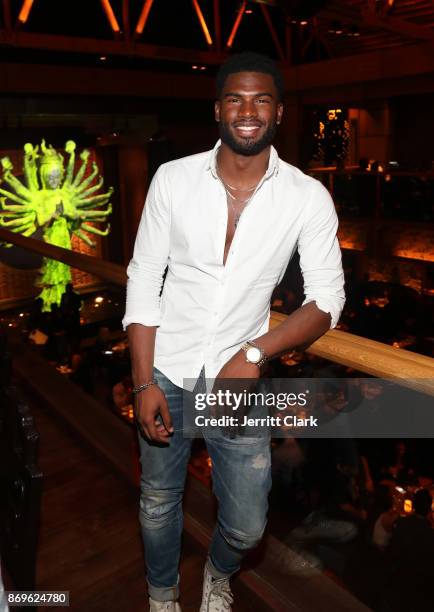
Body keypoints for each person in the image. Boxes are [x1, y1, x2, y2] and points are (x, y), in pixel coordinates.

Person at [123, 52, 345, 612]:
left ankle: (218, 575)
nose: (248, 111)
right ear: (218, 108)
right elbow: (145, 276)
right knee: (157, 501)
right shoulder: (172, 180)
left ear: (279, 112)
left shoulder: (306, 196)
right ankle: (162, 595)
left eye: (261, 99)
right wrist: (143, 380)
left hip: (237, 383)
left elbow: (327, 300)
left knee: (247, 527)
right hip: (167, 368)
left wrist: (254, 352)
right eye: (236, 98)